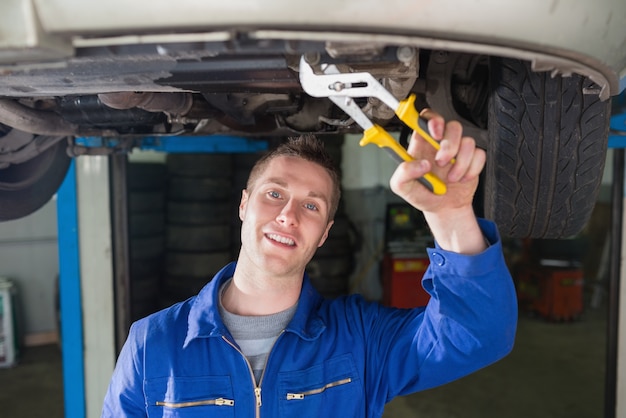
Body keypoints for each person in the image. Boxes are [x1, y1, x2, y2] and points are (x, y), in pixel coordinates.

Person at [102, 111, 517, 417]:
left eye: (311, 205)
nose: (288, 215)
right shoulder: (152, 343)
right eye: (274, 194)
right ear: (244, 205)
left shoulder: (360, 341)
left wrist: (451, 216)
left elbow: (481, 335)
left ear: (324, 233)